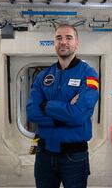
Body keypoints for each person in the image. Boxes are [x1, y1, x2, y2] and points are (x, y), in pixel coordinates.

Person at [26, 24, 99, 188]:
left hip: (74, 156)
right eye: (59, 38)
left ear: (77, 43)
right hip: (44, 154)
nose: (63, 42)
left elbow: (79, 114)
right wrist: (63, 115)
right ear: (54, 43)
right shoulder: (43, 76)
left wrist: (47, 105)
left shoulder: (89, 74)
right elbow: (32, 113)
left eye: (68, 38)